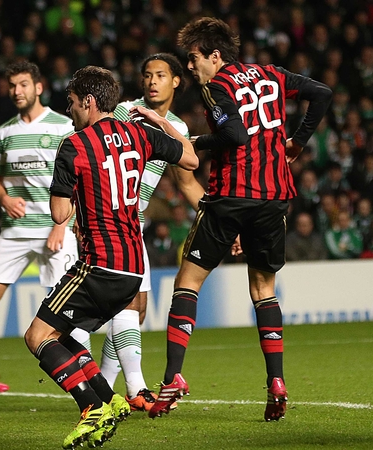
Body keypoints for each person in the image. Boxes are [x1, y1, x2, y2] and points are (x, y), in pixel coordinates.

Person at [149, 17, 332, 421]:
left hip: (232, 193)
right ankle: (277, 382)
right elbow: (321, 93)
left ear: (215, 56)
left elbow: (233, 136)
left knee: (188, 281)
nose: (191, 67)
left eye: (194, 59)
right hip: (274, 197)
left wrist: (190, 141)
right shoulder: (272, 74)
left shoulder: (217, 86)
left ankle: (173, 378)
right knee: (264, 288)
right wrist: (298, 142)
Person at [23, 66, 198, 449]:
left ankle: (91, 407)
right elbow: (190, 159)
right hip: (134, 267)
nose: (70, 111)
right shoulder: (140, 132)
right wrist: (158, 121)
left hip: (99, 262)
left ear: (88, 102)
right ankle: (111, 398)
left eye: (71, 103)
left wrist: (70, 188)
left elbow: (59, 214)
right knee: (64, 333)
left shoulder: (74, 145)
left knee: (37, 336)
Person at [0, 61, 85, 403]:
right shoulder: (6, 131)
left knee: (68, 307)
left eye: (23, 84)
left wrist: (61, 225)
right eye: (12, 85)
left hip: (55, 228)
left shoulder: (62, 125)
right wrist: (4, 198)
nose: (16, 91)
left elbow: (79, 177)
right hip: (17, 230)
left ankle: (86, 377)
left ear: (38, 87)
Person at [99, 53, 207, 412]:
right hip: (106, 220)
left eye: (160, 75)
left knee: (137, 309)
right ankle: (134, 389)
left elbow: (187, 182)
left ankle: (107, 391)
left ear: (176, 81)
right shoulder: (123, 112)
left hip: (133, 223)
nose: (152, 81)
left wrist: (219, 219)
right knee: (125, 305)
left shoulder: (176, 126)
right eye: (147, 75)